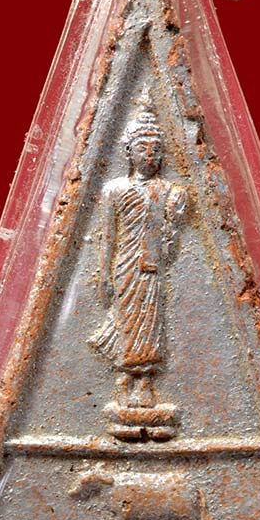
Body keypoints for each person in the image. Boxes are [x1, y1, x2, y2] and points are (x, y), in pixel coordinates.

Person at [89, 88, 186, 422]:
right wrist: (104, 276)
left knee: (150, 324)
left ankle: (145, 384)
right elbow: (108, 238)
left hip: (151, 266)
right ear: (128, 151)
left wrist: (174, 217)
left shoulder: (167, 190)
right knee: (126, 322)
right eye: (143, 147)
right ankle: (123, 381)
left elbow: (170, 243)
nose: (151, 154)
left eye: (156, 148)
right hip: (125, 265)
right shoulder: (114, 189)